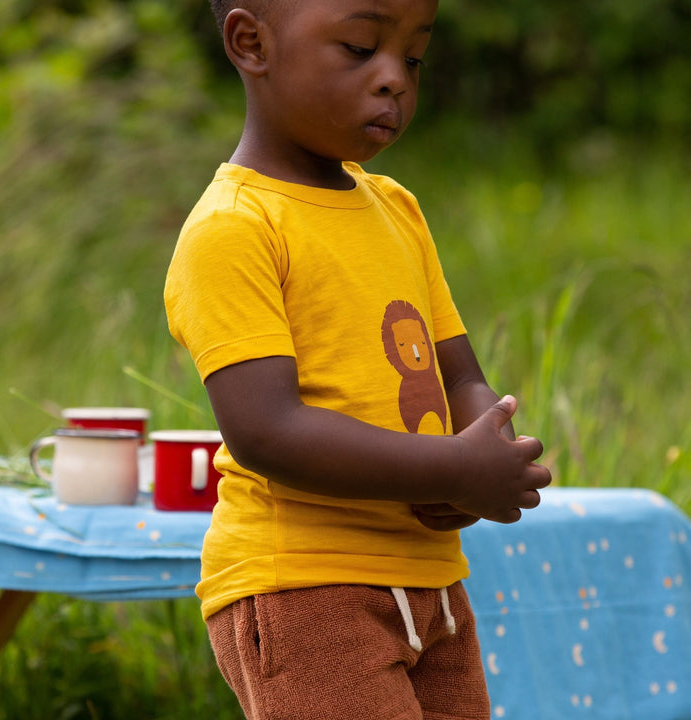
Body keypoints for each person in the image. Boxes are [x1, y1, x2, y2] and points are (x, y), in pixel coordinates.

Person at [164, 0, 552, 717]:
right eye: (359, 48)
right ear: (252, 43)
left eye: (412, 58)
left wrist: (483, 447)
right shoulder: (235, 228)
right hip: (304, 587)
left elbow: (458, 375)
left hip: (430, 579)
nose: (394, 81)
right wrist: (447, 468)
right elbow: (267, 429)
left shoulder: (396, 209)